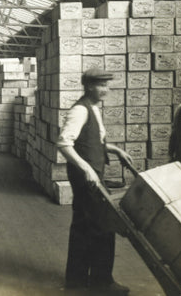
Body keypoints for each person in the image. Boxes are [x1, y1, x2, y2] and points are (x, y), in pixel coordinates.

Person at [57, 68, 133, 294]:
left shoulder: (93, 108)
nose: (106, 90)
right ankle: (102, 282)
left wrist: (114, 149)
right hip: (86, 177)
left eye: (107, 85)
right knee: (103, 225)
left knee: (83, 226)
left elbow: (90, 141)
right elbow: (63, 144)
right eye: (101, 85)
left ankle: (77, 281)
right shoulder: (80, 111)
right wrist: (87, 168)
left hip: (90, 174)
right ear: (88, 86)